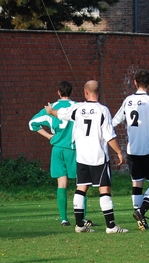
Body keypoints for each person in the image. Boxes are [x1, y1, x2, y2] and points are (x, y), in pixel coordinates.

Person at [45, 80, 129, 234]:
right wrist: (118, 151)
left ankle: (79, 225)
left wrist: (51, 111)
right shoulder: (103, 110)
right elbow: (109, 135)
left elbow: (61, 114)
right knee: (104, 189)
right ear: (99, 92)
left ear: (85, 92)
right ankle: (110, 226)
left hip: (81, 156)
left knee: (81, 188)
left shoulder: (78, 108)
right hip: (98, 156)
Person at [28, 81, 95, 227]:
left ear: (58, 92)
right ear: (71, 92)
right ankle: (82, 218)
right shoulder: (77, 106)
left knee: (61, 183)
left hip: (57, 149)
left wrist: (48, 136)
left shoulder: (51, 108)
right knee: (81, 184)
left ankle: (64, 218)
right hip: (74, 149)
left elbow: (32, 123)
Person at [112, 69, 149, 230]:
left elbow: (116, 120)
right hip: (148, 149)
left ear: (135, 82)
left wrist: (105, 132)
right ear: (148, 83)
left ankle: (140, 219)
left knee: (136, 184)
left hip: (132, 149)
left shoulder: (128, 100)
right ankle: (141, 212)